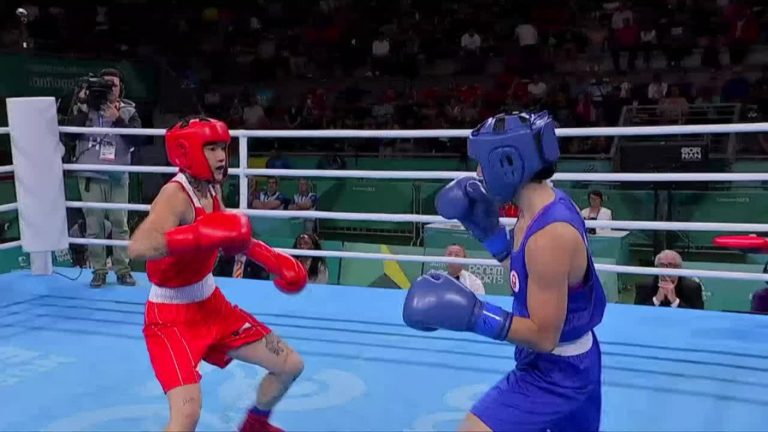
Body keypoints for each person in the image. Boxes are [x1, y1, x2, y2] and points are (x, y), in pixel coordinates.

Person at [402, 112, 606, 432]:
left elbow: (544, 336)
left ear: (507, 161)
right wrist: (493, 238)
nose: (479, 173)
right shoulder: (535, 210)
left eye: (483, 163)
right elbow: (529, 280)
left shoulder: (549, 235)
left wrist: (474, 315)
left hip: (558, 371)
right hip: (562, 359)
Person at [127, 116, 308, 432]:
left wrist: (273, 260)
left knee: (290, 365)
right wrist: (197, 235)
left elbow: (230, 236)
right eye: (211, 148)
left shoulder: (210, 188)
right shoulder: (176, 196)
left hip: (211, 305)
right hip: (170, 319)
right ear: (188, 152)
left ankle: (255, 426)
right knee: (186, 416)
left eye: (222, 147)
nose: (221, 156)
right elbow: (139, 246)